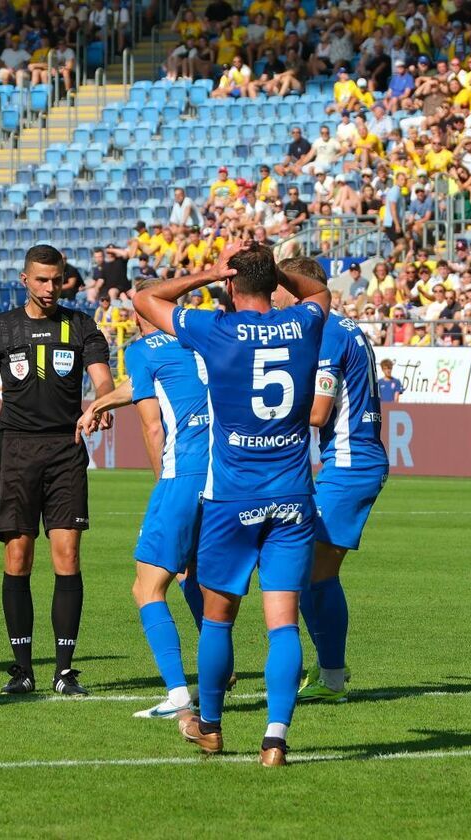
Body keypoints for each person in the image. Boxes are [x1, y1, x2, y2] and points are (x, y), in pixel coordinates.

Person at [133, 241, 331, 767]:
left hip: (231, 498)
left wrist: (205, 274)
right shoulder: (304, 323)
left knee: (218, 620)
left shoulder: (215, 329)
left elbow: (145, 298)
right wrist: (276, 275)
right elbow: (320, 290)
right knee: (283, 623)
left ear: (229, 285)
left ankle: (214, 728)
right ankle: (275, 739)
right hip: (292, 495)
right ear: (273, 283)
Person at [0, 245, 113, 696]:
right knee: (18, 557)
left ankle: (64, 671)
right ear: (24, 280)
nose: (50, 288)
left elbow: (102, 376)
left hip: (66, 450)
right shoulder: (0, 328)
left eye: (57, 279)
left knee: (67, 556)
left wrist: (101, 402)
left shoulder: (81, 325)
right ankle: (22, 670)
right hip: (16, 451)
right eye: (42, 280)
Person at [76, 278, 210, 719]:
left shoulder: (141, 350)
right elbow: (140, 387)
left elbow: (152, 424)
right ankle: (217, 671)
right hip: (224, 474)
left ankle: (177, 695)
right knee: (191, 572)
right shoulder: (206, 340)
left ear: (140, 312)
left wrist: (162, 481)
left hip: (181, 473)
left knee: (147, 585)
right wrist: (98, 405)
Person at [277, 257, 389, 704]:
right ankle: (330, 674)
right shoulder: (345, 328)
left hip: (351, 464)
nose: (275, 301)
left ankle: (332, 677)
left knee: (308, 573)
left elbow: (319, 412)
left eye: (280, 292)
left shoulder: (326, 331)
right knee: (311, 572)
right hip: (348, 462)